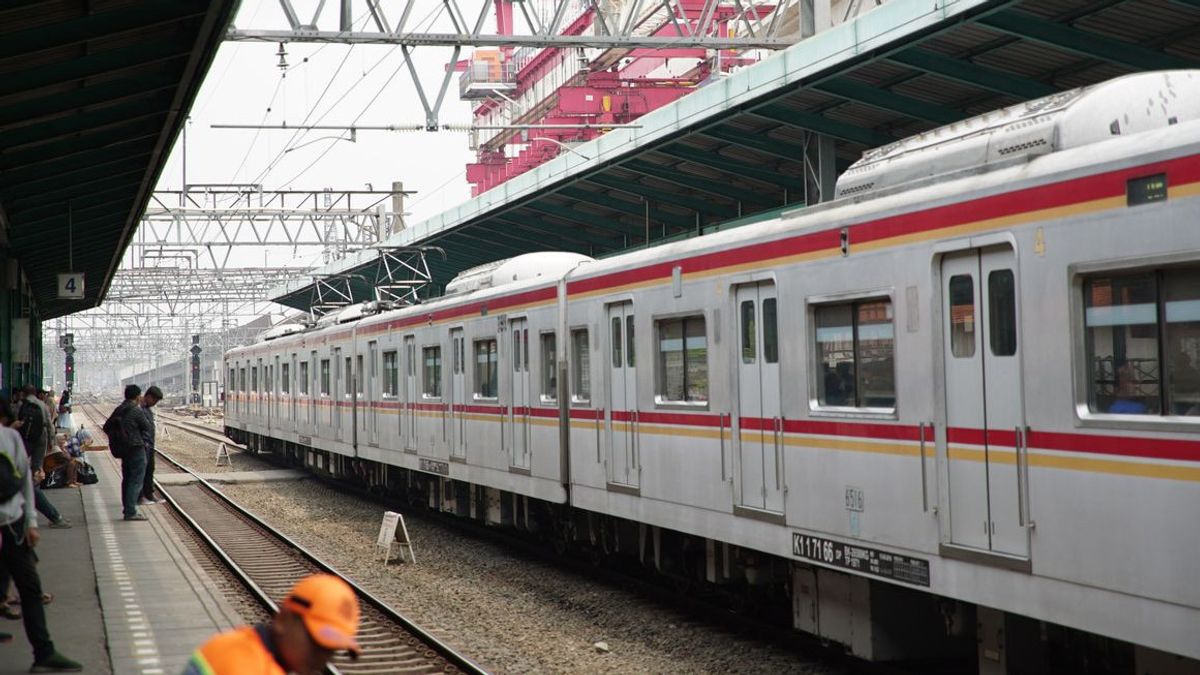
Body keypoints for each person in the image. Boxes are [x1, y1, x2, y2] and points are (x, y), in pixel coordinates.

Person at [0, 400, 83, 671]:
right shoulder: (11, 437)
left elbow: (24, 481)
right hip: (13, 525)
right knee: (27, 590)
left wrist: (31, 522)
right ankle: (44, 652)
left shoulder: (10, 438)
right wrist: (31, 522)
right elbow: (25, 482)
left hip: (13, 526)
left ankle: (44, 652)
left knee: (30, 589)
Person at [183, 573, 361, 675]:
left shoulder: (237, 645)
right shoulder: (244, 664)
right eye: (317, 643)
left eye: (332, 649)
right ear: (284, 619)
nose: (324, 658)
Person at [16, 386, 70, 529]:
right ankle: (36, 481)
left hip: (24, 442)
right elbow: (50, 424)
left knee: (25, 482)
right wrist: (51, 442)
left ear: (23, 394)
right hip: (40, 439)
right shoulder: (42, 404)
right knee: (34, 472)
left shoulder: (20, 406)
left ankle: (36, 490)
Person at [112, 385, 152, 522]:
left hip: (124, 450)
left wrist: (120, 438)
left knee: (127, 479)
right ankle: (130, 511)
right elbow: (147, 426)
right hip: (136, 448)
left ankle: (127, 508)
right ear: (137, 396)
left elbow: (107, 426)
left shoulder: (119, 409)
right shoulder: (136, 410)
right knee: (136, 480)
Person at [137, 386, 163, 506]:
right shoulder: (139, 408)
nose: (155, 403)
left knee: (149, 470)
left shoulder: (147, 408)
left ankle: (149, 494)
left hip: (149, 446)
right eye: (155, 401)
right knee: (141, 471)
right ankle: (140, 496)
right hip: (142, 446)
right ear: (148, 396)